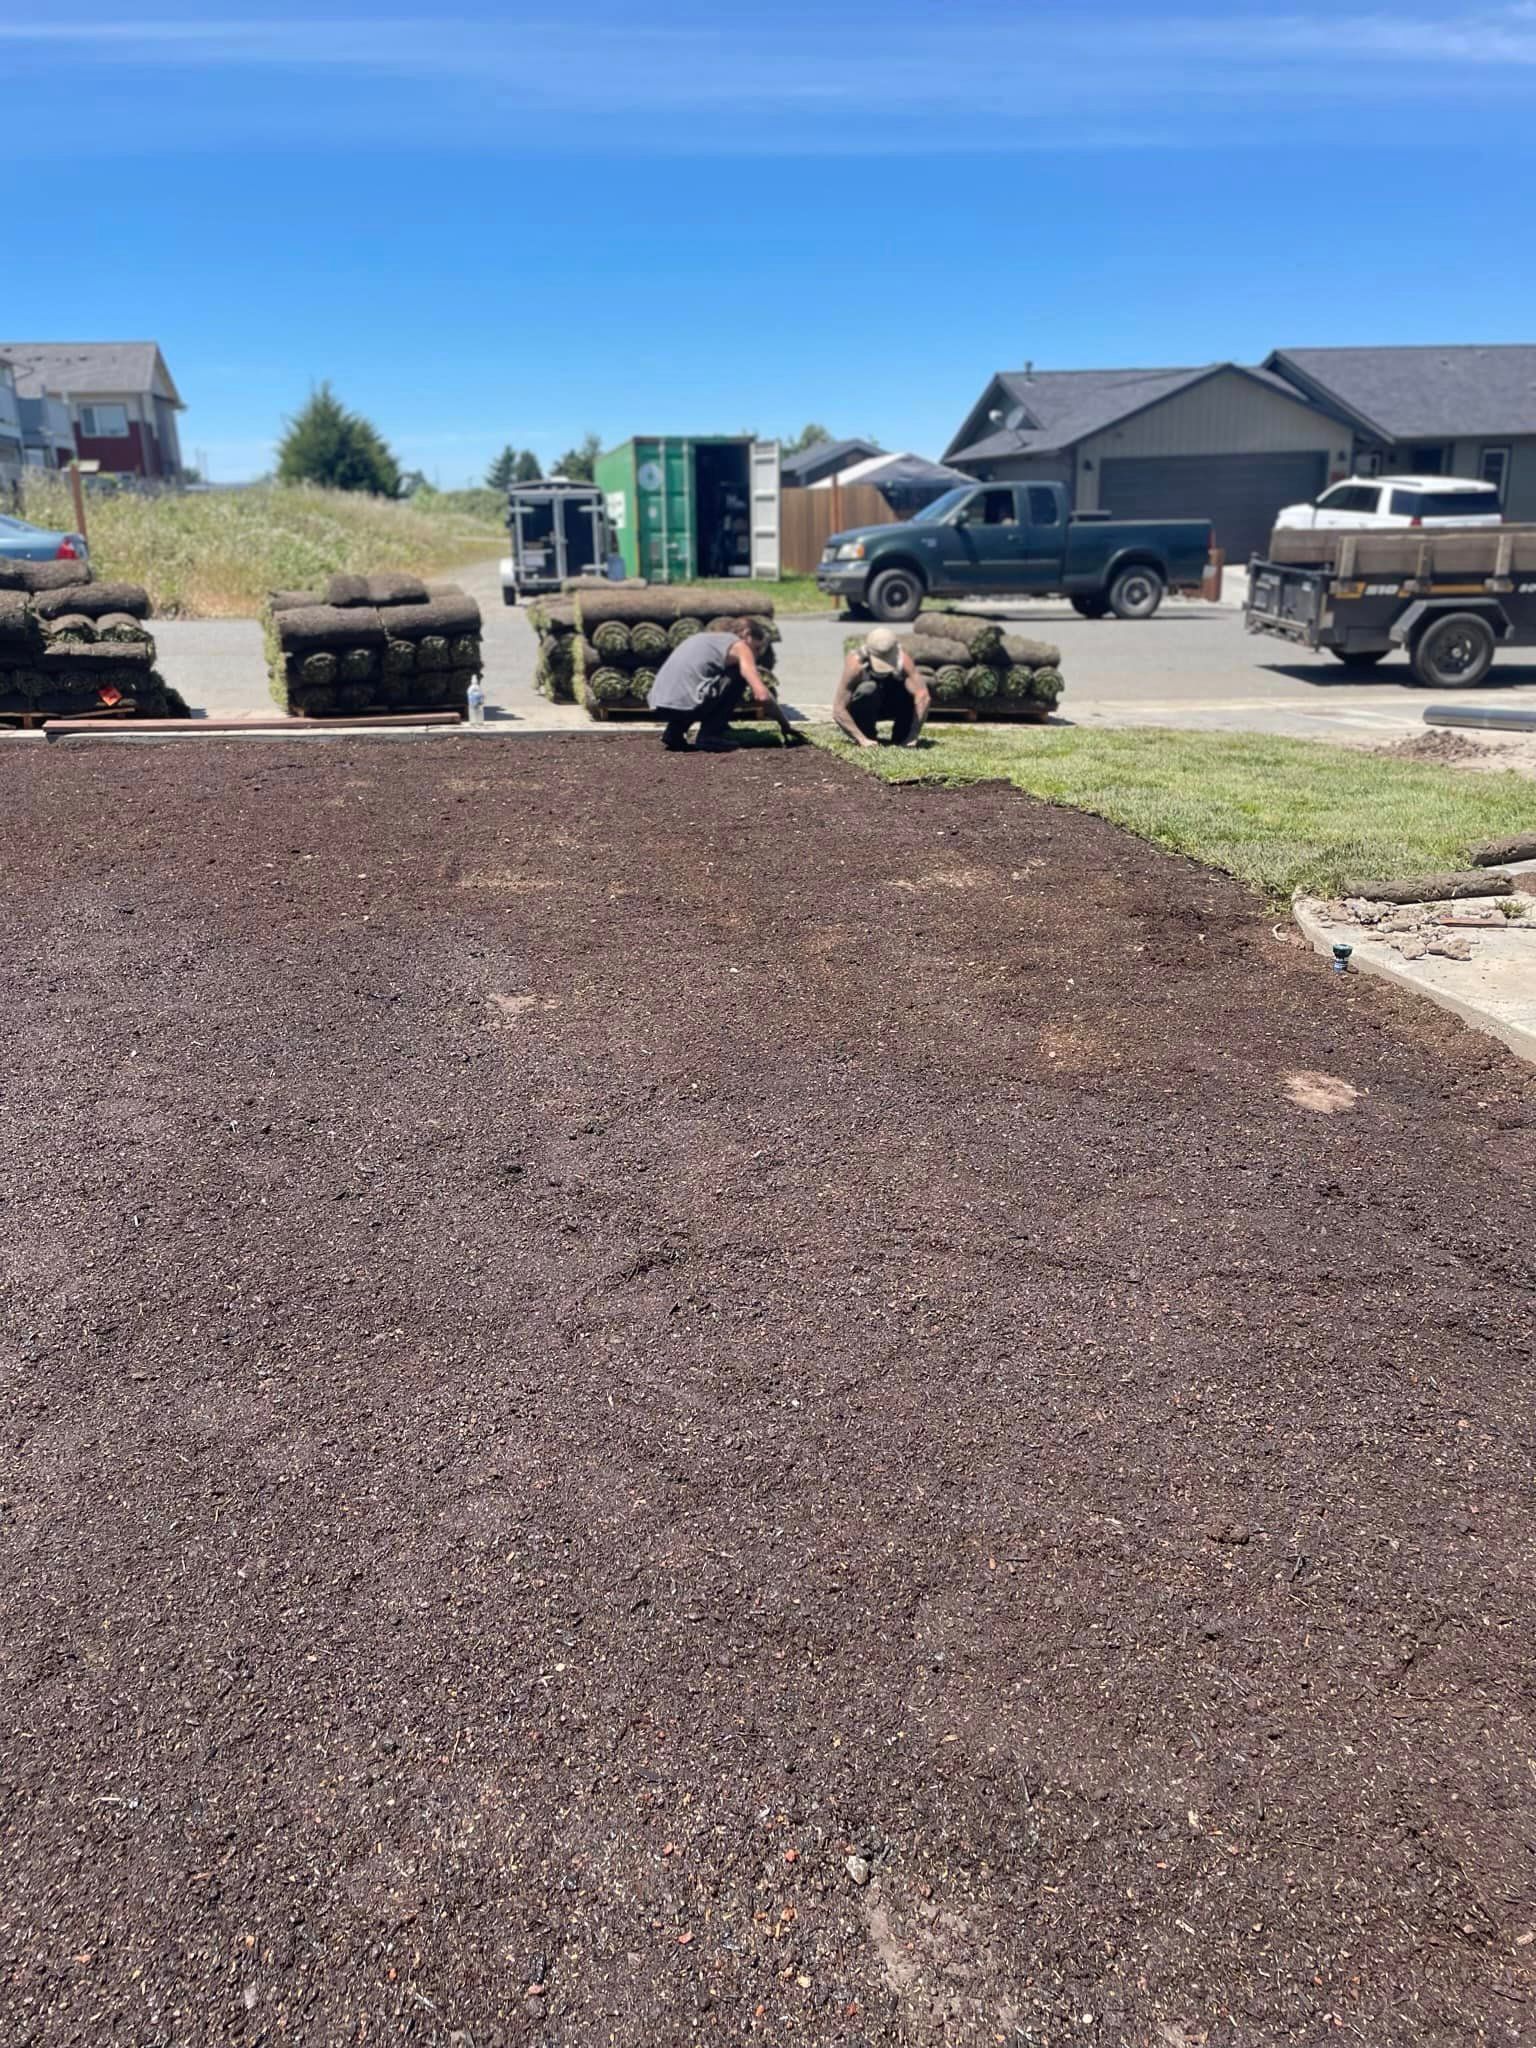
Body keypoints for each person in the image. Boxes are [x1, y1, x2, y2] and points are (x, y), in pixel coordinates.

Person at [648, 616, 774, 753]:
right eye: (756, 648)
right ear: (747, 635)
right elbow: (762, 695)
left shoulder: (704, 639)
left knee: (697, 684)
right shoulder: (740, 646)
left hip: (660, 705)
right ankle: (710, 735)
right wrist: (784, 724)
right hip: (687, 706)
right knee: (738, 675)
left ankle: (674, 733)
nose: (755, 655)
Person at [833, 626, 928, 749]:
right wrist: (861, 739)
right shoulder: (855, 665)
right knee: (868, 689)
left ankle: (902, 736)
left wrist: (912, 736)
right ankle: (868, 736)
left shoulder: (903, 659)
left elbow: (923, 696)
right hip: (865, 709)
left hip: (890, 704)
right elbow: (838, 710)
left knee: (908, 691)